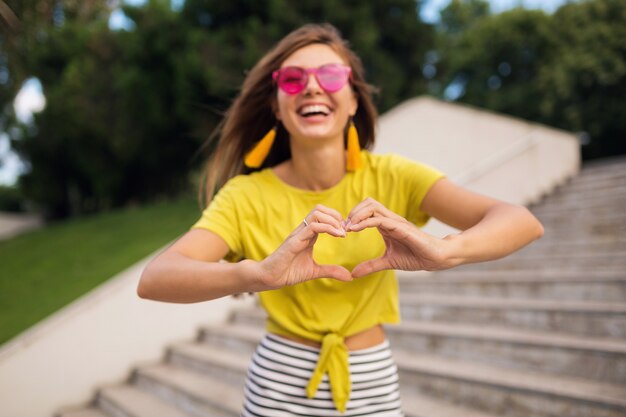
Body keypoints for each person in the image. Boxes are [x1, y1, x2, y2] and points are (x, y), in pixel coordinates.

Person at [137, 23, 544, 417]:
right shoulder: (246, 196)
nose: (313, 86)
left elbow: (520, 221)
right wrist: (258, 274)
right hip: (279, 381)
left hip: (372, 377)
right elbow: (156, 278)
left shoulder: (394, 176)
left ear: (352, 101)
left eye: (331, 75)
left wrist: (444, 251)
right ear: (276, 106)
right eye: (293, 79)